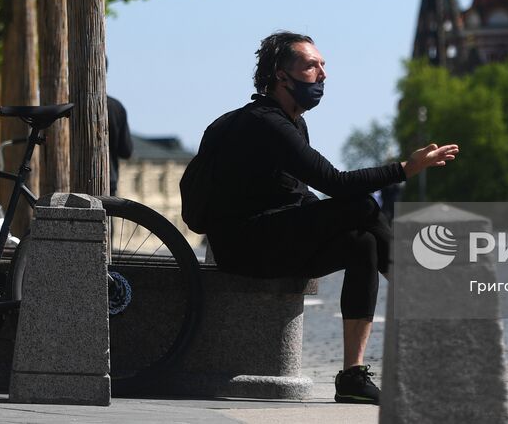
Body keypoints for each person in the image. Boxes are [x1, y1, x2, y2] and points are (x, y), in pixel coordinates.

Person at [194, 31, 458, 405]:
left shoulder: (289, 123)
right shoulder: (264, 123)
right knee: (362, 205)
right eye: (311, 65)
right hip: (243, 245)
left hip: (271, 237)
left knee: (361, 244)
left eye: (323, 65)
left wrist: (330, 217)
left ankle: (352, 376)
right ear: (281, 76)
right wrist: (404, 169)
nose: (322, 74)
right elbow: (334, 182)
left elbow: (299, 193)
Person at [106, 93, 133, 197]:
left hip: (70, 180)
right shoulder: (115, 106)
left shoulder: (67, 104)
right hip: (108, 178)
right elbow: (126, 151)